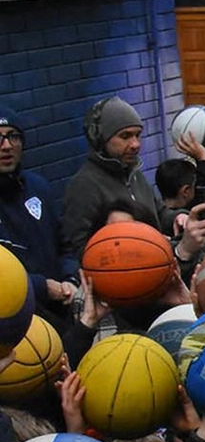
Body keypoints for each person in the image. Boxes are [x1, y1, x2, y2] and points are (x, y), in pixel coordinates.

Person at [62, 96, 164, 256]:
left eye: (138, 135)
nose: (135, 144)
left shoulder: (135, 175)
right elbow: (80, 248)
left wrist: (180, 217)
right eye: (125, 136)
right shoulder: (84, 186)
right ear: (101, 139)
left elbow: (159, 213)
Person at [0, 105, 77, 312]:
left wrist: (70, 278)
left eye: (13, 136)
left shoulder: (38, 187)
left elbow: (65, 246)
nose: (6, 146)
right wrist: (42, 287)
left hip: (60, 309)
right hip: (14, 320)